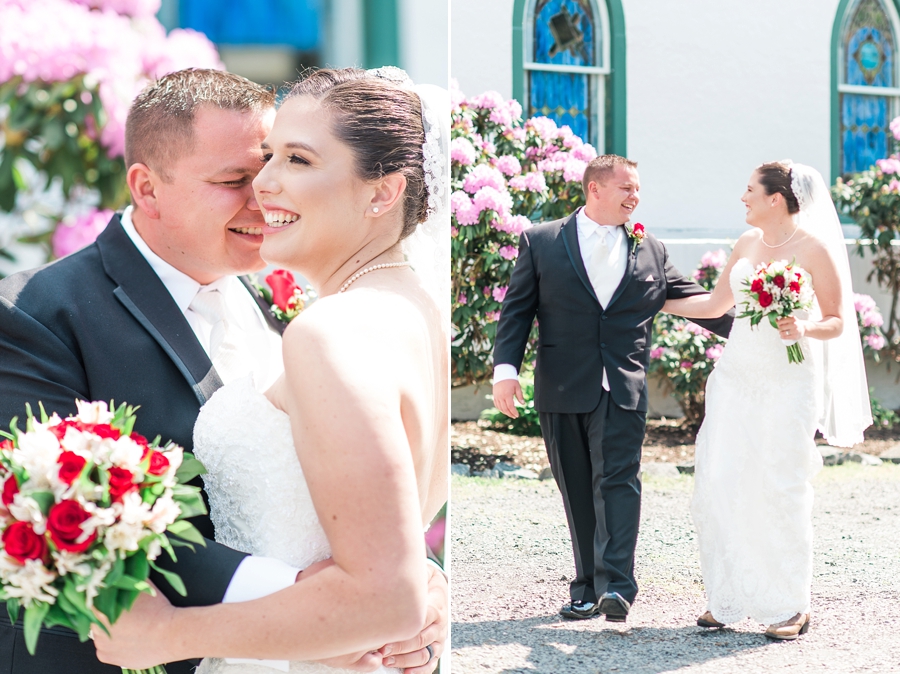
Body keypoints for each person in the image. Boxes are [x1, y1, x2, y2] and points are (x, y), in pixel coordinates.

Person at [0, 68, 447, 673]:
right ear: (147, 188)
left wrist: (415, 587)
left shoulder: (302, 303)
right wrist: (313, 595)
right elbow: (58, 524)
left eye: (282, 161)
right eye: (235, 178)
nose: (262, 191)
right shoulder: (35, 315)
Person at [491, 154, 733, 623]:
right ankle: (586, 587)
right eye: (626, 188)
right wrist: (506, 369)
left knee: (619, 482)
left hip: (622, 387)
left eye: (637, 189)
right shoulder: (542, 242)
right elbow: (517, 311)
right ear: (595, 189)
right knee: (576, 488)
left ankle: (618, 588)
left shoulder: (651, 249)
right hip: (561, 387)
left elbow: (696, 302)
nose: (635, 197)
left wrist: (754, 327)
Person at [662, 161, 871, 640]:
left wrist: (804, 327)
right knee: (722, 480)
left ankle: (789, 605)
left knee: (780, 484)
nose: (743, 197)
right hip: (735, 376)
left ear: (776, 198)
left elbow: (838, 320)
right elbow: (715, 307)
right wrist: (652, 301)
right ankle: (728, 596)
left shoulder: (815, 249)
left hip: (788, 380)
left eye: (750, 190)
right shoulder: (746, 244)